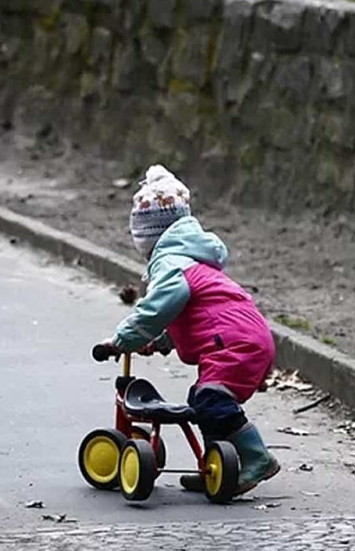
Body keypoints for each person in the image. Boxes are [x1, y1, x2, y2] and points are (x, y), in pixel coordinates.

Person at [97, 164, 280, 495]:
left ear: (148, 237)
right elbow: (194, 316)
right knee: (206, 399)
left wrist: (123, 339)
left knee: (208, 399)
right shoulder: (193, 261)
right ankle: (215, 466)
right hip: (245, 337)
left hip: (234, 343)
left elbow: (161, 305)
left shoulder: (170, 264)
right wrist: (157, 342)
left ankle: (257, 458)